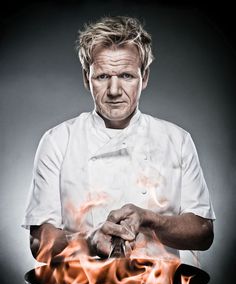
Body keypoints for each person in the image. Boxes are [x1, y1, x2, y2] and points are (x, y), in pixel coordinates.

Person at [22, 16, 215, 266]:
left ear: (144, 78)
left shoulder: (176, 140)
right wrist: (90, 240)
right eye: (102, 77)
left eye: (126, 76)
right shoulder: (58, 141)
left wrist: (150, 219)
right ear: (86, 78)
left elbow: (203, 233)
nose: (114, 91)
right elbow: (39, 244)